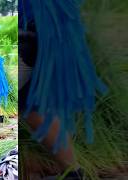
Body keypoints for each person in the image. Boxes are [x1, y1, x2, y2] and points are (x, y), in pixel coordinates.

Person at [20, 0, 107, 179]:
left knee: (18, 100)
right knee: (31, 105)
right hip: (57, 29)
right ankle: (73, 173)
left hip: (34, 30)